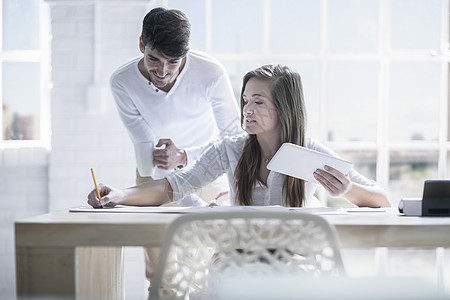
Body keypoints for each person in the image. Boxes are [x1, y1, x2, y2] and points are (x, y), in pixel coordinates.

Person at [88, 64, 390, 212]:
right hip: (236, 263)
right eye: (245, 100)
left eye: (258, 101)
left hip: (294, 267)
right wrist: (119, 195)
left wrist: (346, 189)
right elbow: (173, 188)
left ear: (284, 108)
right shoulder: (230, 150)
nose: (246, 110)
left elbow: (382, 200)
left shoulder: (310, 152)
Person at [109, 7, 242, 289]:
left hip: (207, 168)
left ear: (187, 52)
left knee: (206, 269)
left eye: (173, 61)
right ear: (142, 44)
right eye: (154, 59)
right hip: (153, 169)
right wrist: (162, 167)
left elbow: (234, 138)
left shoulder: (210, 72)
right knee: (160, 273)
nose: (163, 71)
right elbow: (144, 149)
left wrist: (183, 156)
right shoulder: (122, 81)